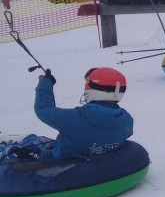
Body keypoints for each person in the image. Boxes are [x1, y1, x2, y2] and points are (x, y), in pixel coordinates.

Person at [1, 68, 134, 161]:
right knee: (39, 141)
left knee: (18, 149)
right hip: (93, 160)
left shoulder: (75, 119)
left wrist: (45, 83)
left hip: (56, 163)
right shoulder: (127, 121)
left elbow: (43, 109)